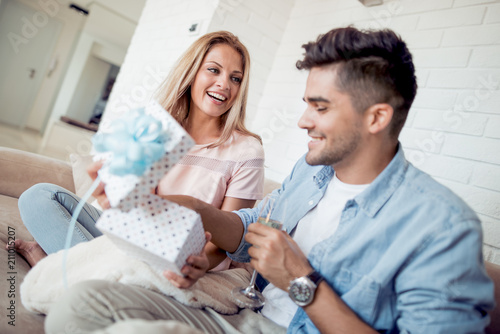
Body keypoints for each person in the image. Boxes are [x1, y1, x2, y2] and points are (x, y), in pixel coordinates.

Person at [45, 27, 495, 334]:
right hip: (245, 311)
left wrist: (302, 282)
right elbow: (247, 229)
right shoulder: (312, 171)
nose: (302, 121)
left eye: (319, 107)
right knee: (79, 305)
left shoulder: (442, 226)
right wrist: (186, 207)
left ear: (376, 117)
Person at [11, 31, 265, 286]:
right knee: (39, 197)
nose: (225, 84)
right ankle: (89, 277)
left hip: (179, 255)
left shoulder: (246, 150)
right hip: (134, 237)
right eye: (213, 70)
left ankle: (60, 270)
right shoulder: (159, 129)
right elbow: (134, 211)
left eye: (236, 78)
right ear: (192, 72)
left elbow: (230, 237)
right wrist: (114, 195)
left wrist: (196, 265)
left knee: (131, 266)